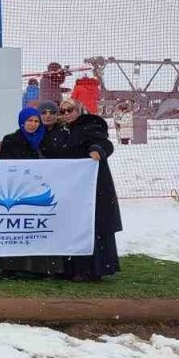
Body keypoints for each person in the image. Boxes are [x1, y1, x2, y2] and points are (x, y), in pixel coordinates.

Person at [44, 98, 122, 281]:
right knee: (70, 226)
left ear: (79, 110)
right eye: (62, 111)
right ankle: (69, 268)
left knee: (91, 227)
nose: (66, 114)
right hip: (70, 191)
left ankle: (91, 269)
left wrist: (97, 150)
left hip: (92, 189)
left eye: (69, 110)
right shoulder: (59, 132)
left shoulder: (90, 126)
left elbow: (105, 144)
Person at [0, 107, 64, 279]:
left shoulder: (46, 140)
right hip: (18, 191)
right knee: (17, 228)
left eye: (36, 121)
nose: (33, 124)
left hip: (41, 191)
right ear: (22, 122)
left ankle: (42, 268)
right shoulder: (11, 139)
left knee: (39, 228)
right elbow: (6, 165)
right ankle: (12, 267)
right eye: (29, 121)